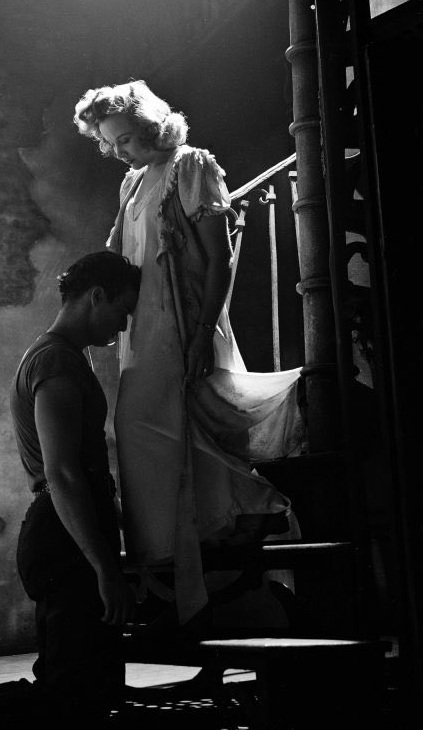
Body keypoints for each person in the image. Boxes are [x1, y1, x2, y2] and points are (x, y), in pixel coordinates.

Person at [74, 80, 305, 630]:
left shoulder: (191, 165)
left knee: (192, 453)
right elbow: (118, 257)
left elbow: (219, 259)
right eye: (109, 144)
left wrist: (203, 331)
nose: (118, 152)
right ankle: (175, 599)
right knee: (140, 446)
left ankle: (222, 595)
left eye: (124, 139)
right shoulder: (132, 183)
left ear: (150, 125)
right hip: (140, 338)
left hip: (184, 328)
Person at [12, 251, 140, 721]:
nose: (124, 325)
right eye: (122, 311)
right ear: (96, 296)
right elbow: (62, 473)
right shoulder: (57, 363)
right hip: (64, 542)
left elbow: (84, 470)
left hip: (68, 536)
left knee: (90, 694)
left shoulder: (68, 358)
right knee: (67, 700)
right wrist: (105, 568)